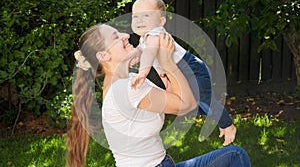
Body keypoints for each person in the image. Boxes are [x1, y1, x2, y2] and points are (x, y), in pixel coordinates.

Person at [66, 23, 251, 167]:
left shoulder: (131, 80)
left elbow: (177, 101)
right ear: (104, 56)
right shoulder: (126, 89)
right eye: (115, 36)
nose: (125, 36)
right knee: (235, 156)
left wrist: (159, 62)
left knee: (234, 155)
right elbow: (186, 104)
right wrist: (168, 62)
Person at [130, 0, 236, 146]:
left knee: (204, 100)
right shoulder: (145, 39)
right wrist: (129, 59)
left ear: (161, 21)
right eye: (135, 16)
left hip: (192, 69)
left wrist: (142, 73)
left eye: (146, 15)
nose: (139, 19)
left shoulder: (154, 34)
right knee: (194, 106)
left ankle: (228, 125)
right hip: (183, 70)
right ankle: (219, 119)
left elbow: (148, 54)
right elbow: (140, 52)